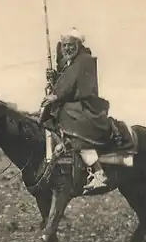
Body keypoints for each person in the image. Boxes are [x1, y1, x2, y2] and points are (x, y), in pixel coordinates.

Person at [40, 28, 112, 191]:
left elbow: (72, 86)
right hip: (74, 104)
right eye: (65, 45)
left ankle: (99, 173)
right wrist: (54, 78)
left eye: (71, 45)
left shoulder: (85, 61)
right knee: (50, 113)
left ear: (79, 45)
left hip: (87, 106)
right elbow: (66, 83)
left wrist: (56, 95)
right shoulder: (70, 64)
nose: (67, 49)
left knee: (72, 121)